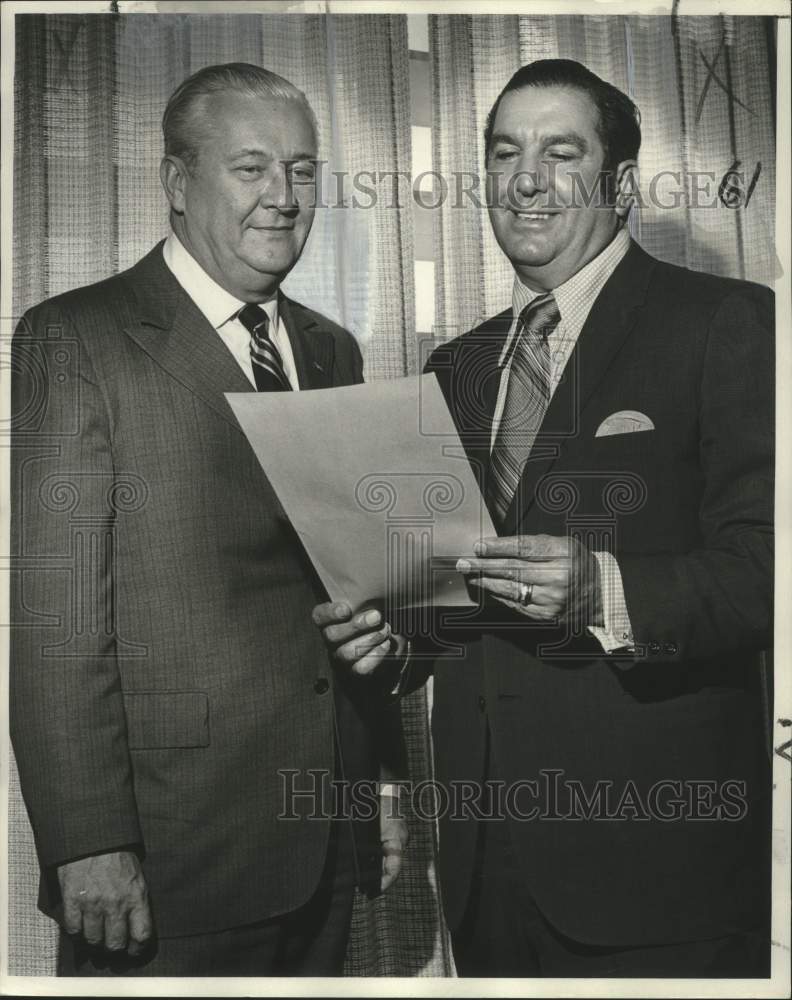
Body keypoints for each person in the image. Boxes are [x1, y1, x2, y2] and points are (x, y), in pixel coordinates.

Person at [314, 59, 773, 977]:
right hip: (485, 860)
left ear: (620, 181)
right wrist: (395, 639)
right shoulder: (455, 366)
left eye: (561, 152)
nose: (526, 179)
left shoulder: (726, 321)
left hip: (657, 864)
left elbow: (772, 566)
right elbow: (453, 596)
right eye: (504, 152)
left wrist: (606, 588)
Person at [10, 62, 407, 977]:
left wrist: (378, 777)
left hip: (324, 838)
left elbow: (353, 593)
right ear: (178, 183)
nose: (284, 197)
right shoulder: (75, 338)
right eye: (252, 168)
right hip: (168, 857)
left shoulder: (331, 349)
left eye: (303, 171)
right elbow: (56, 623)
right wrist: (87, 842)